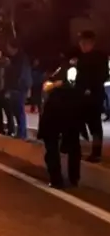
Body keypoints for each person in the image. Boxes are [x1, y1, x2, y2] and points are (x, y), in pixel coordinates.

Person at [37, 60, 87, 188]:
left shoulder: (64, 70)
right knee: (72, 146)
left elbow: (48, 86)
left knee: (54, 147)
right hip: (69, 113)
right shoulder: (72, 71)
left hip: (57, 113)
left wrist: (55, 85)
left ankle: (57, 179)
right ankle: (72, 178)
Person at [73, 30, 108, 162]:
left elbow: (103, 75)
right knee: (79, 120)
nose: (81, 45)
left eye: (84, 43)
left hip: (94, 96)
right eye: (81, 43)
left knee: (95, 125)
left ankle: (96, 152)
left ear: (90, 43)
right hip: (82, 96)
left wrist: (90, 88)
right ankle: (77, 145)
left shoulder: (99, 57)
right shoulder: (81, 58)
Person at [4, 40, 32, 139]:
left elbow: (21, 75)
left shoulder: (22, 58)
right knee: (16, 111)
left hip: (19, 89)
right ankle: (20, 132)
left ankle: (22, 134)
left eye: (8, 47)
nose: (7, 49)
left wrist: (17, 87)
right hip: (14, 88)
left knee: (19, 111)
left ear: (13, 47)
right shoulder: (13, 59)